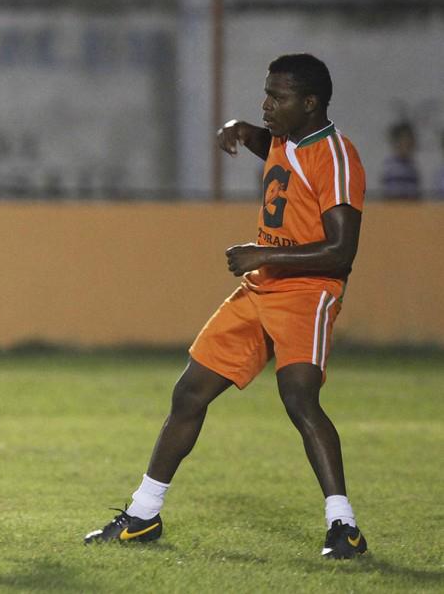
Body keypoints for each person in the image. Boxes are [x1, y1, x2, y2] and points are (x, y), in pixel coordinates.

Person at [84, 54, 369, 559]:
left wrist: (264, 253)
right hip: (262, 288)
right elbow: (278, 154)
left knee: (299, 398)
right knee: (189, 393)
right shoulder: (286, 137)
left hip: (308, 291)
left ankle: (343, 526)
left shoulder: (336, 156)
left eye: (277, 97)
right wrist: (241, 129)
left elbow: (341, 250)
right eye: (266, 94)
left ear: (310, 103)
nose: (266, 105)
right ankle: (143, 516)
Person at [380, 120, 420, 200]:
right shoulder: (391, 168)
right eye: (405, 140)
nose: (409, 144)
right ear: (396, 142)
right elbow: (391, 196)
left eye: (411, 140)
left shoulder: (412, 167)